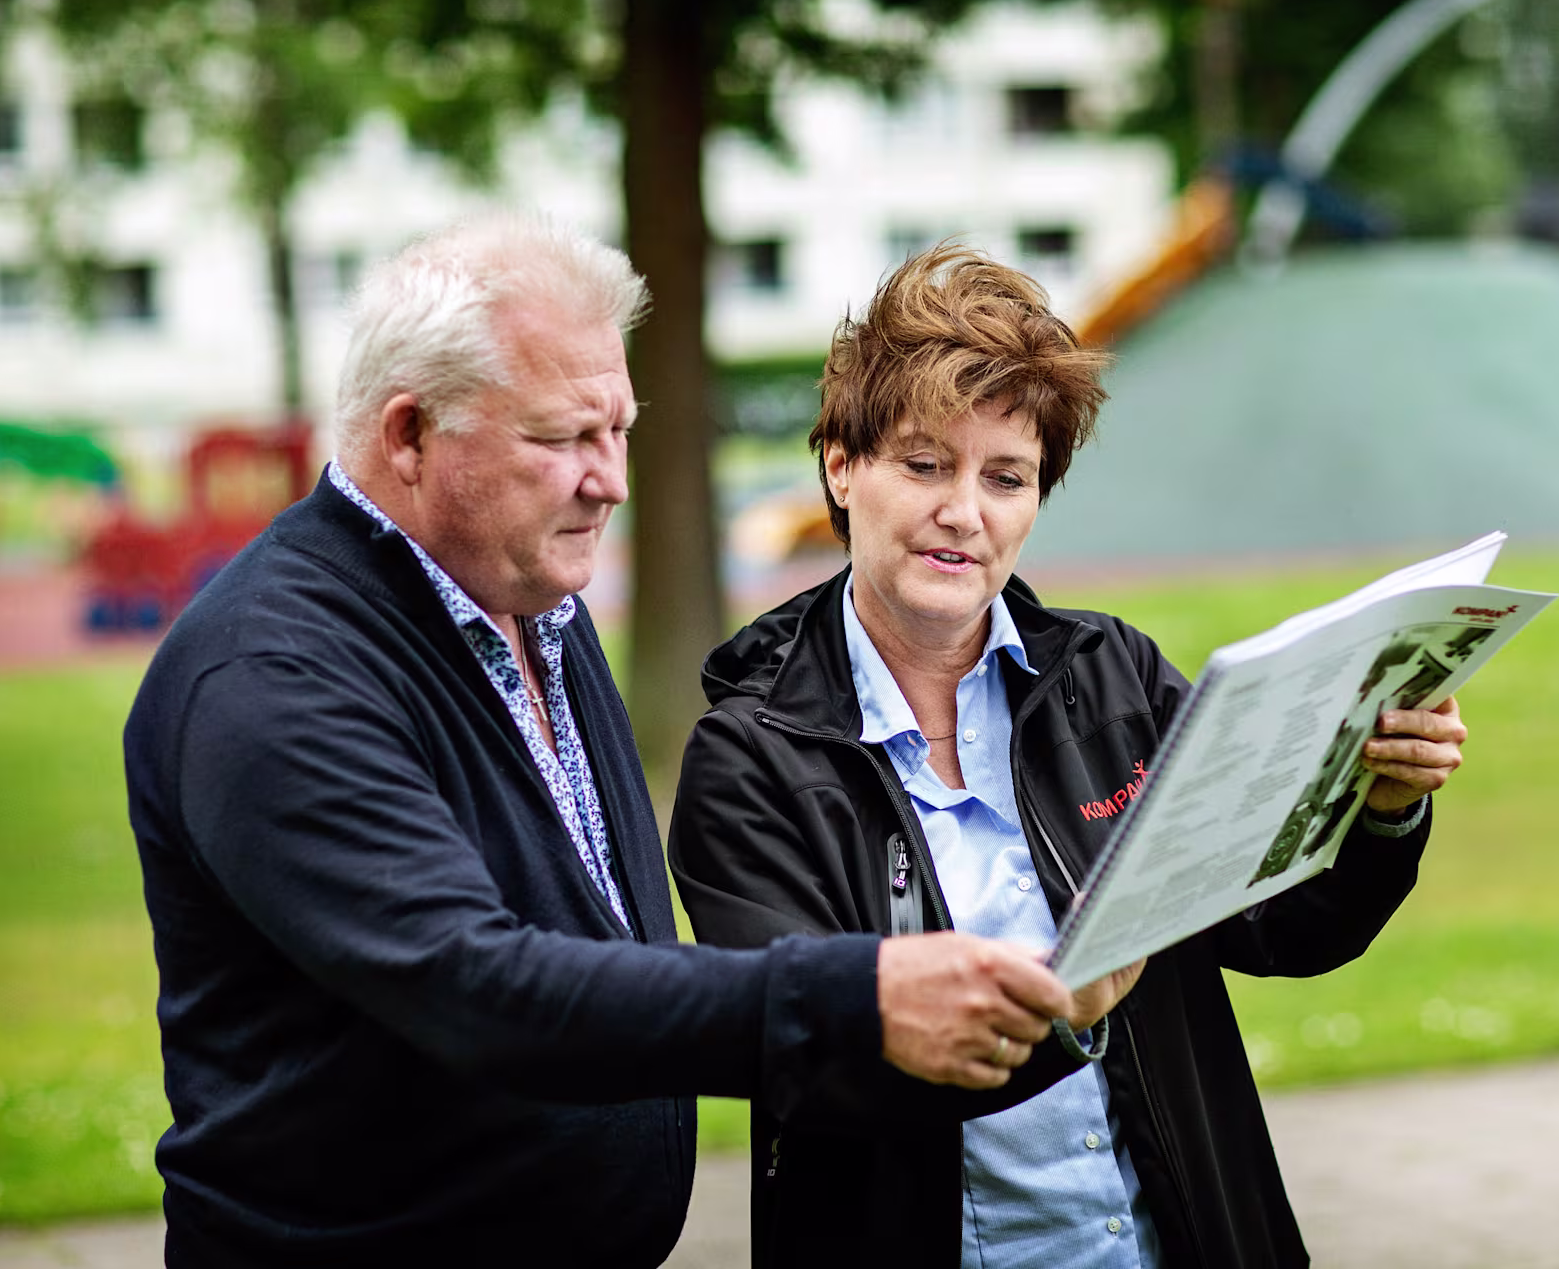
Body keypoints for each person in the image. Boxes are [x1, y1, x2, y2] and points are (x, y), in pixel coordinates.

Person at [121, 215, 1098, 1267]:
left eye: (619, 429)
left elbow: (599, 948)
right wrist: (857, 998)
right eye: (562, 439)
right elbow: (477, 986)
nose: (612, 480)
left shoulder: (528, 591)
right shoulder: (274, 675)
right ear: (407, 436)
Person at [668, 243, 1469, 1268]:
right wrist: (1063, 1011)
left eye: (1008, 476)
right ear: (840, 464)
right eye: (925, 464)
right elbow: (811, 1060)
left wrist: (1384, 802)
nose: (967, 511)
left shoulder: (1114, 676)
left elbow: (1285, 923)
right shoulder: (750, 758)